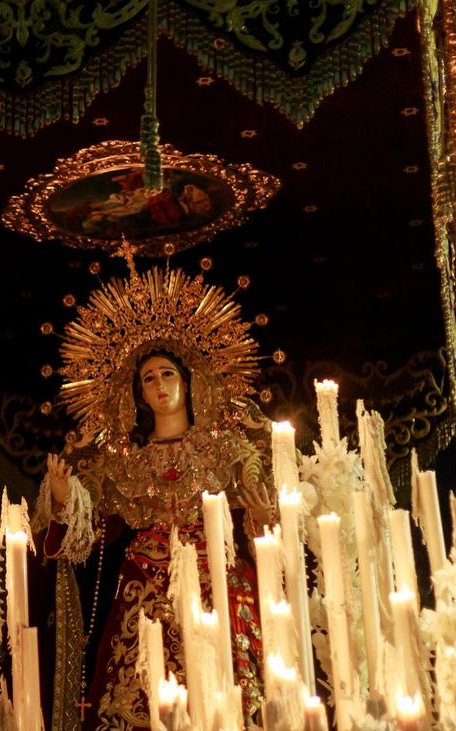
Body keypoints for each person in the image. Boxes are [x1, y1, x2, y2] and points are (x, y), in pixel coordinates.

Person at [36, 265, 275, 730]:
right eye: (148, 378)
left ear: (189, 380)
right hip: (144, 586)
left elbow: (262, 517)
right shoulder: (125, 464)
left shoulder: (227, 450)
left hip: (217, 580)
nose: (160, 385)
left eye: (167, 373)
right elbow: (84, 532)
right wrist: (65, 499)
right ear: (138, 394)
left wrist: (264, 519)